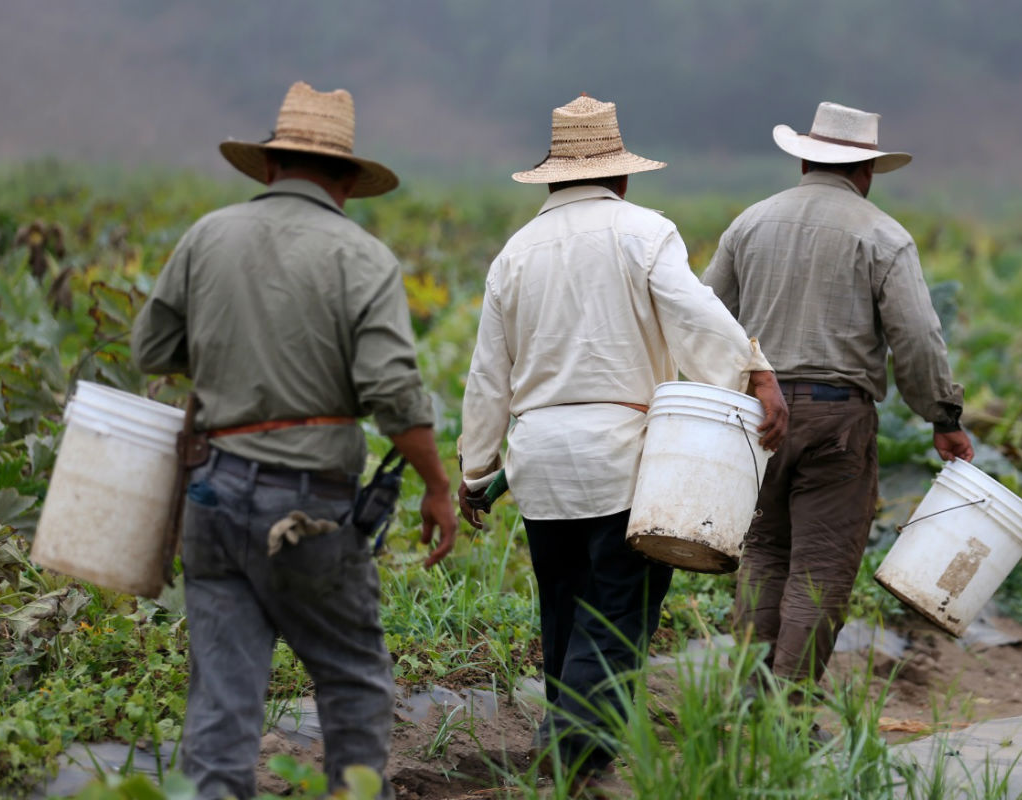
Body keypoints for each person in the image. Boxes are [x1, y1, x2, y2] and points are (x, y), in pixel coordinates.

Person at [131, 82, 457, 800]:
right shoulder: (361, 257)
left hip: (211, 496)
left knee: (222, 698)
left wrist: (236, 363)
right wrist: (437, 487)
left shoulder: (206, 235)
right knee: (351, 680)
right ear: (345, 181)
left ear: (272, 168)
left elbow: (151, 347)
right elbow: (396, 398)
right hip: (306, 509)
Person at [457, 94, 788, 783]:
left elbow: (488, 374)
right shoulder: (645, 233)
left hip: (542, 462)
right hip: (621, 457)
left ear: (550, 178)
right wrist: (753, 368)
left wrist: (474, 470)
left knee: (564, 614)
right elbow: (695, 313)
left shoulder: (514, 254)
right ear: (623, 177)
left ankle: (581, 763)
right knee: (614, 619)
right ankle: (570, 758)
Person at [701, 101, 974, 702]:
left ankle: (748, 704)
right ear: (868, 171)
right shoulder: (883, 235)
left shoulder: (750, 223)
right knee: (819, 570)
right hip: (836, 420)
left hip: (756, 416)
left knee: (764, 556)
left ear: (804, 157)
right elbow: (918, 338)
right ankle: (788, 718)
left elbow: (702, 313)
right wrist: (943, 417)